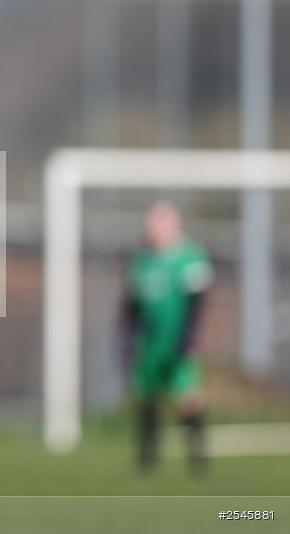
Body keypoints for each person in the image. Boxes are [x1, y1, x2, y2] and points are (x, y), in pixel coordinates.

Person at [120, 201, 212, 474]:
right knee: (147, 396)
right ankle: (147, 458)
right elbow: (132, 305)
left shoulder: (190, 257)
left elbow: (198, 300)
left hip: (178, 340)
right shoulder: (141, 262)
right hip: (150, 343)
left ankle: (197, 457)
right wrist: (127, 338)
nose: (152, 230)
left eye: (158, 223)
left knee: (188, 396)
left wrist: (189, 334)